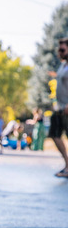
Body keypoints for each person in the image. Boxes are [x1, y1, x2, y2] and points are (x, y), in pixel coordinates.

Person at [50, 37, 68, 177]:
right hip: (60, 108)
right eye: (59, 50)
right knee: (55, 135)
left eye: (62, 49)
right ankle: (67, 165)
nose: (60, 52)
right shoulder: (63, 65)